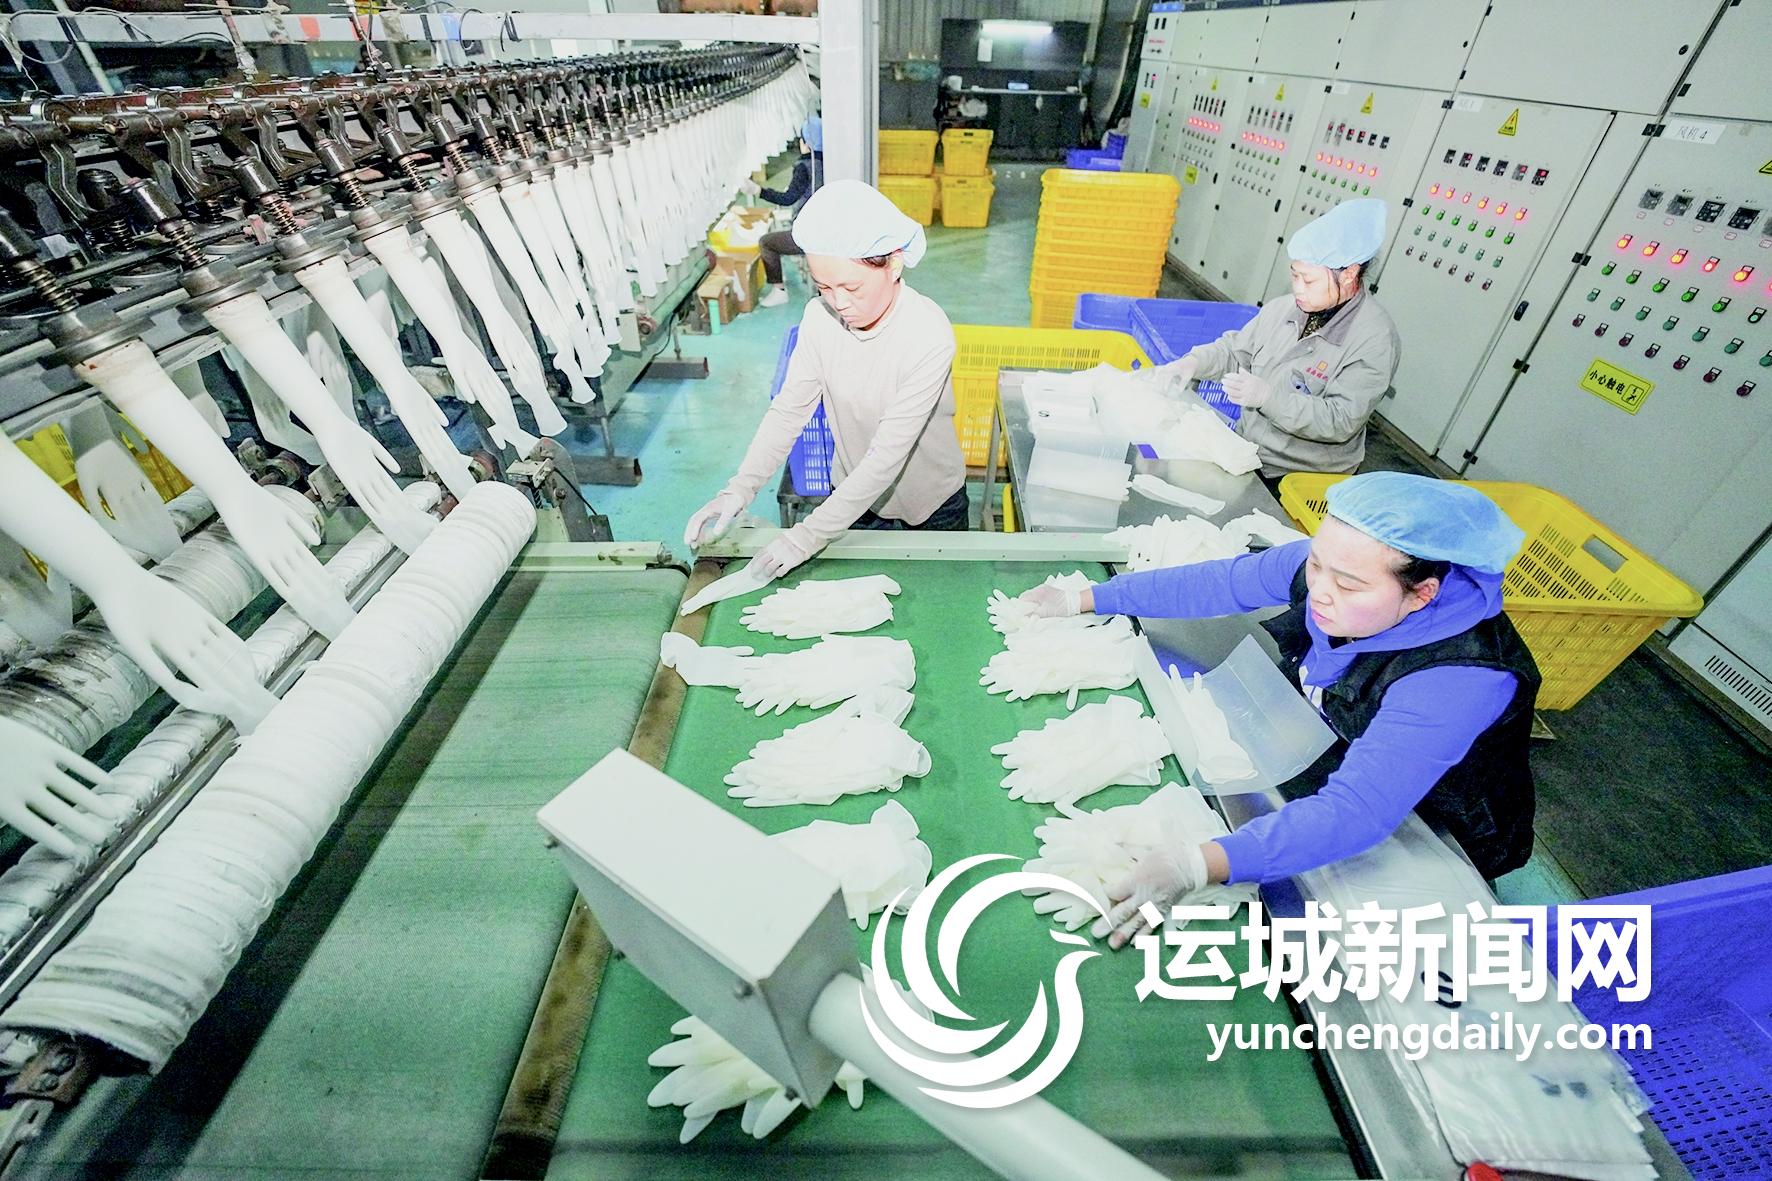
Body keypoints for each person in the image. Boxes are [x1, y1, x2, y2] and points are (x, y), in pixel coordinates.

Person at [1017, 472, 1539, 948]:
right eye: (1316, 564)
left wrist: (1199, 863)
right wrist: (1086, 598)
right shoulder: (1337, 569)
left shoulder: (1457, 677)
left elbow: (1358, 812)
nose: (1320, 592)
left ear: (1423, 594)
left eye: (1348, 585)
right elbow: (1219, 583)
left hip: (1438, 825)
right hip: (1341, 752)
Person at [684, 180, 968, 580]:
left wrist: (806, 537)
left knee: (936, 599)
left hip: (932, 503)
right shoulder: (820, 318)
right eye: (825, 287)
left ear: (894, 263)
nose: (840, 302)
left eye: (852, 287)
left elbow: (887, 456)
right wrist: (739, 489)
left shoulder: (927, 335)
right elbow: (789, 411)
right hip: (853, 498)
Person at [1160, 199, 1401, 485]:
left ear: (1349, 274)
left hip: (1301, 475)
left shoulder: (1375, 339)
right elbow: (1236, 352)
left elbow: (1340, 419)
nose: (1297, 289)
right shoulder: (1284, 308)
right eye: (1294, 275)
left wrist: (1268, 398)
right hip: (1248, 452)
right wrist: (1192, 363)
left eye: (1308, 281)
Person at [744, 116, 823, 309]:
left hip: (809, 236)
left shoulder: (804, 167)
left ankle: (779, 291)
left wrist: (758, 191)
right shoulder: (832, 162)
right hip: (828, 231)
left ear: (805, 142)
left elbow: (788, 199)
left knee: (767, 243)